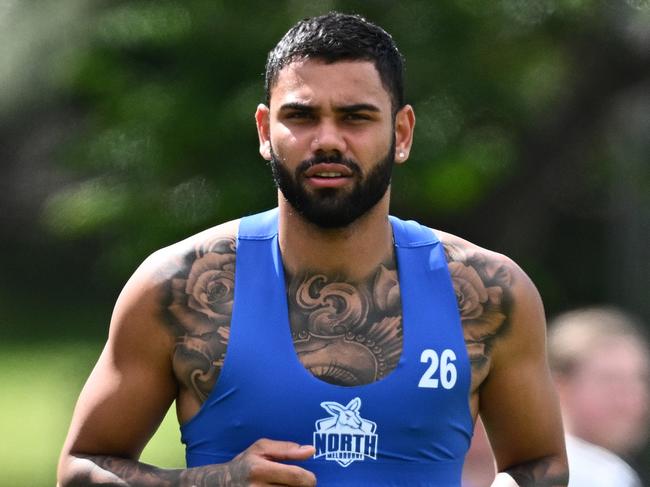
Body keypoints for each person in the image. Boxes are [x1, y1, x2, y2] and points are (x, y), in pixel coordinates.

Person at [57, 12, 568, 487]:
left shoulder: (486, 292)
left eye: (355, 117)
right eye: (301, 116)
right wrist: (214, 481)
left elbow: (540, 465)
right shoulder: (181, 286)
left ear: (402, 133)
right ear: (265, 130)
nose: (327, 140)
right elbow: (81, 467)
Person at [548, 306, 649, 487]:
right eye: (609, 381)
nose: (629, 401)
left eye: (639, 380)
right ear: (559, 387)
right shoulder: (604, 476)